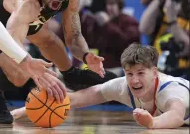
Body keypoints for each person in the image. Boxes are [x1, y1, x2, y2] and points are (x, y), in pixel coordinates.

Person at [0, 0, 117, 124]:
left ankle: (71, 75)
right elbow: (12, 45)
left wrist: (85, 55)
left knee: (49, 40)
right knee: (20, 74)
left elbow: (74, 36)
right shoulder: (27, 3)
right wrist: (35, 71)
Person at [10, 44, 189, 129]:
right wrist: (26, 110)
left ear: (155, 72)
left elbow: (176, 116)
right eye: (129, 74)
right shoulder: (122, 87)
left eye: (141, 73)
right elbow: (77, 98)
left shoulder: (171, 90)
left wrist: (152, 122)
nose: (134, 80)